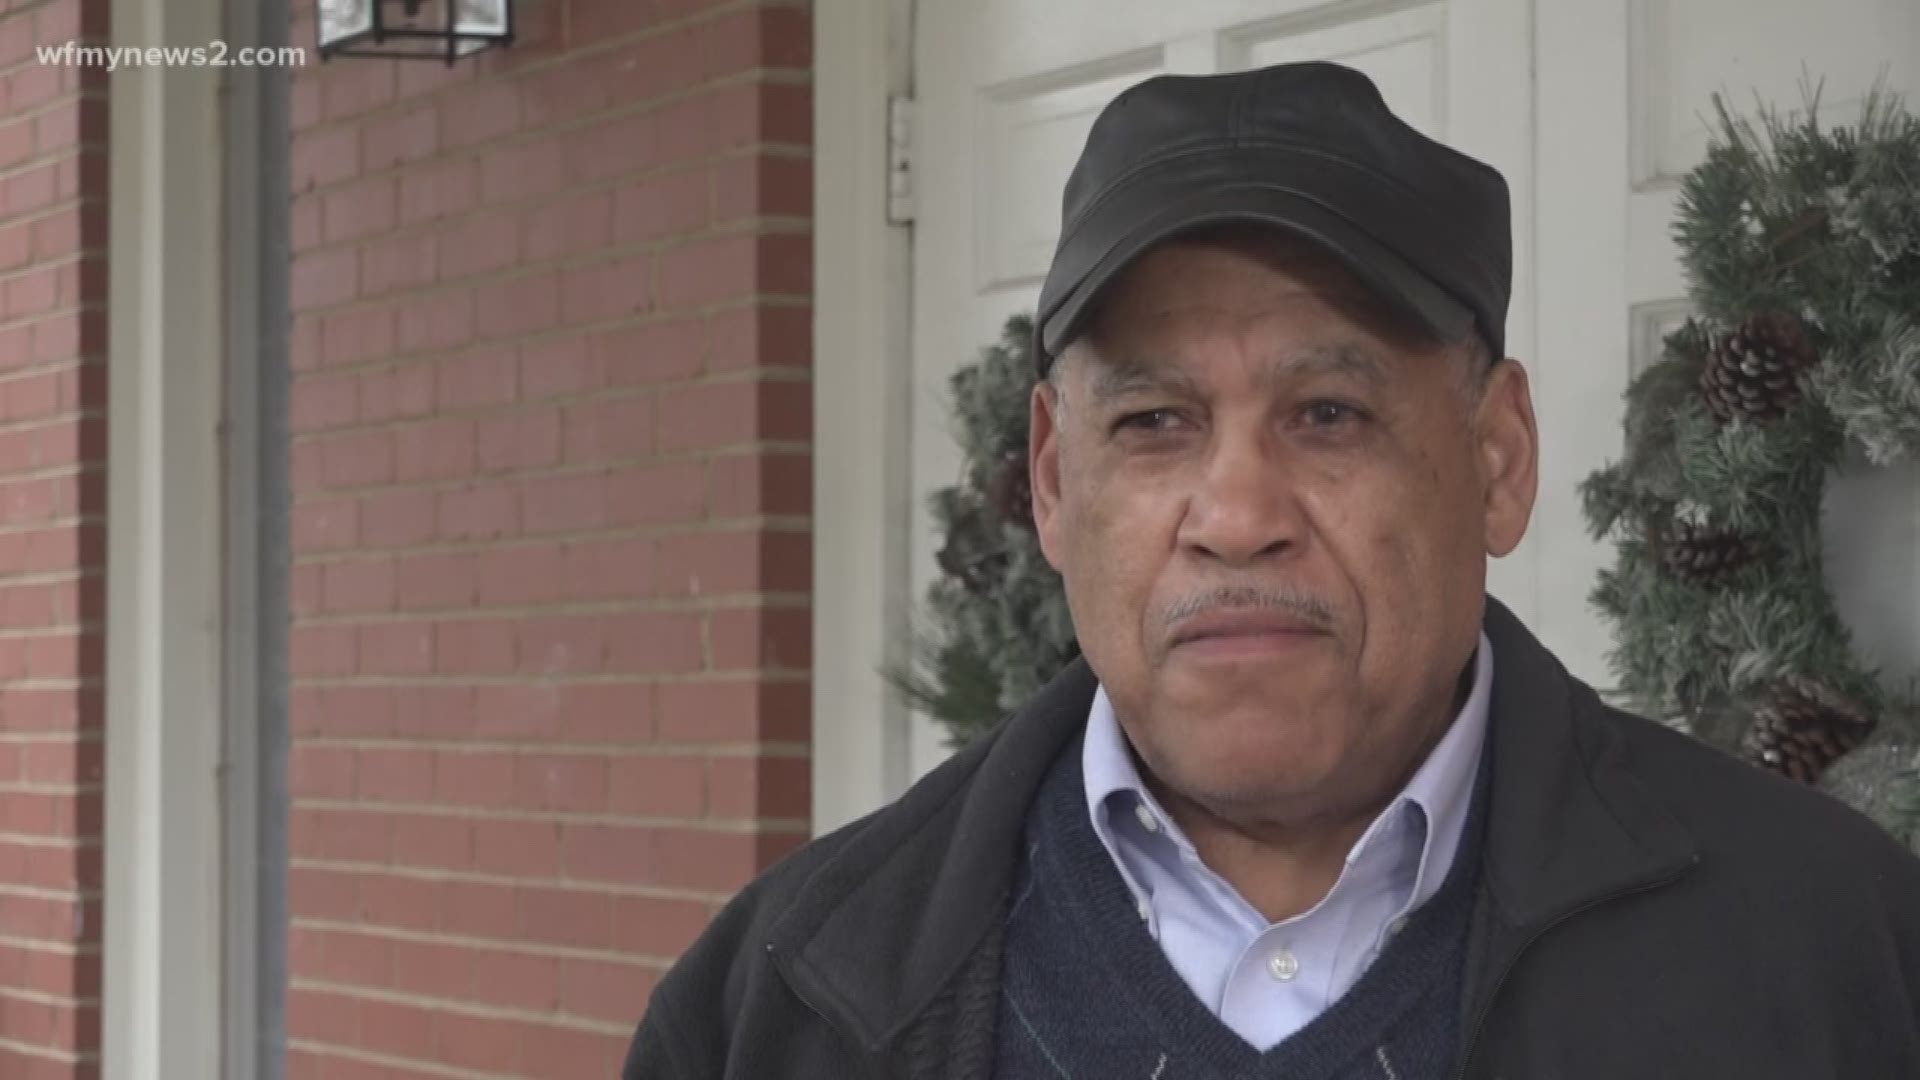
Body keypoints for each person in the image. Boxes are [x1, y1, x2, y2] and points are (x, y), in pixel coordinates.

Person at [623, 61, 1920, 1080]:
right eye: (1153, 424)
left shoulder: (1831, 955)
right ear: (1056, 483)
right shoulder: (782, 1006)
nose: (1235, 516)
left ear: (1498, 458)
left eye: (1329, 415)